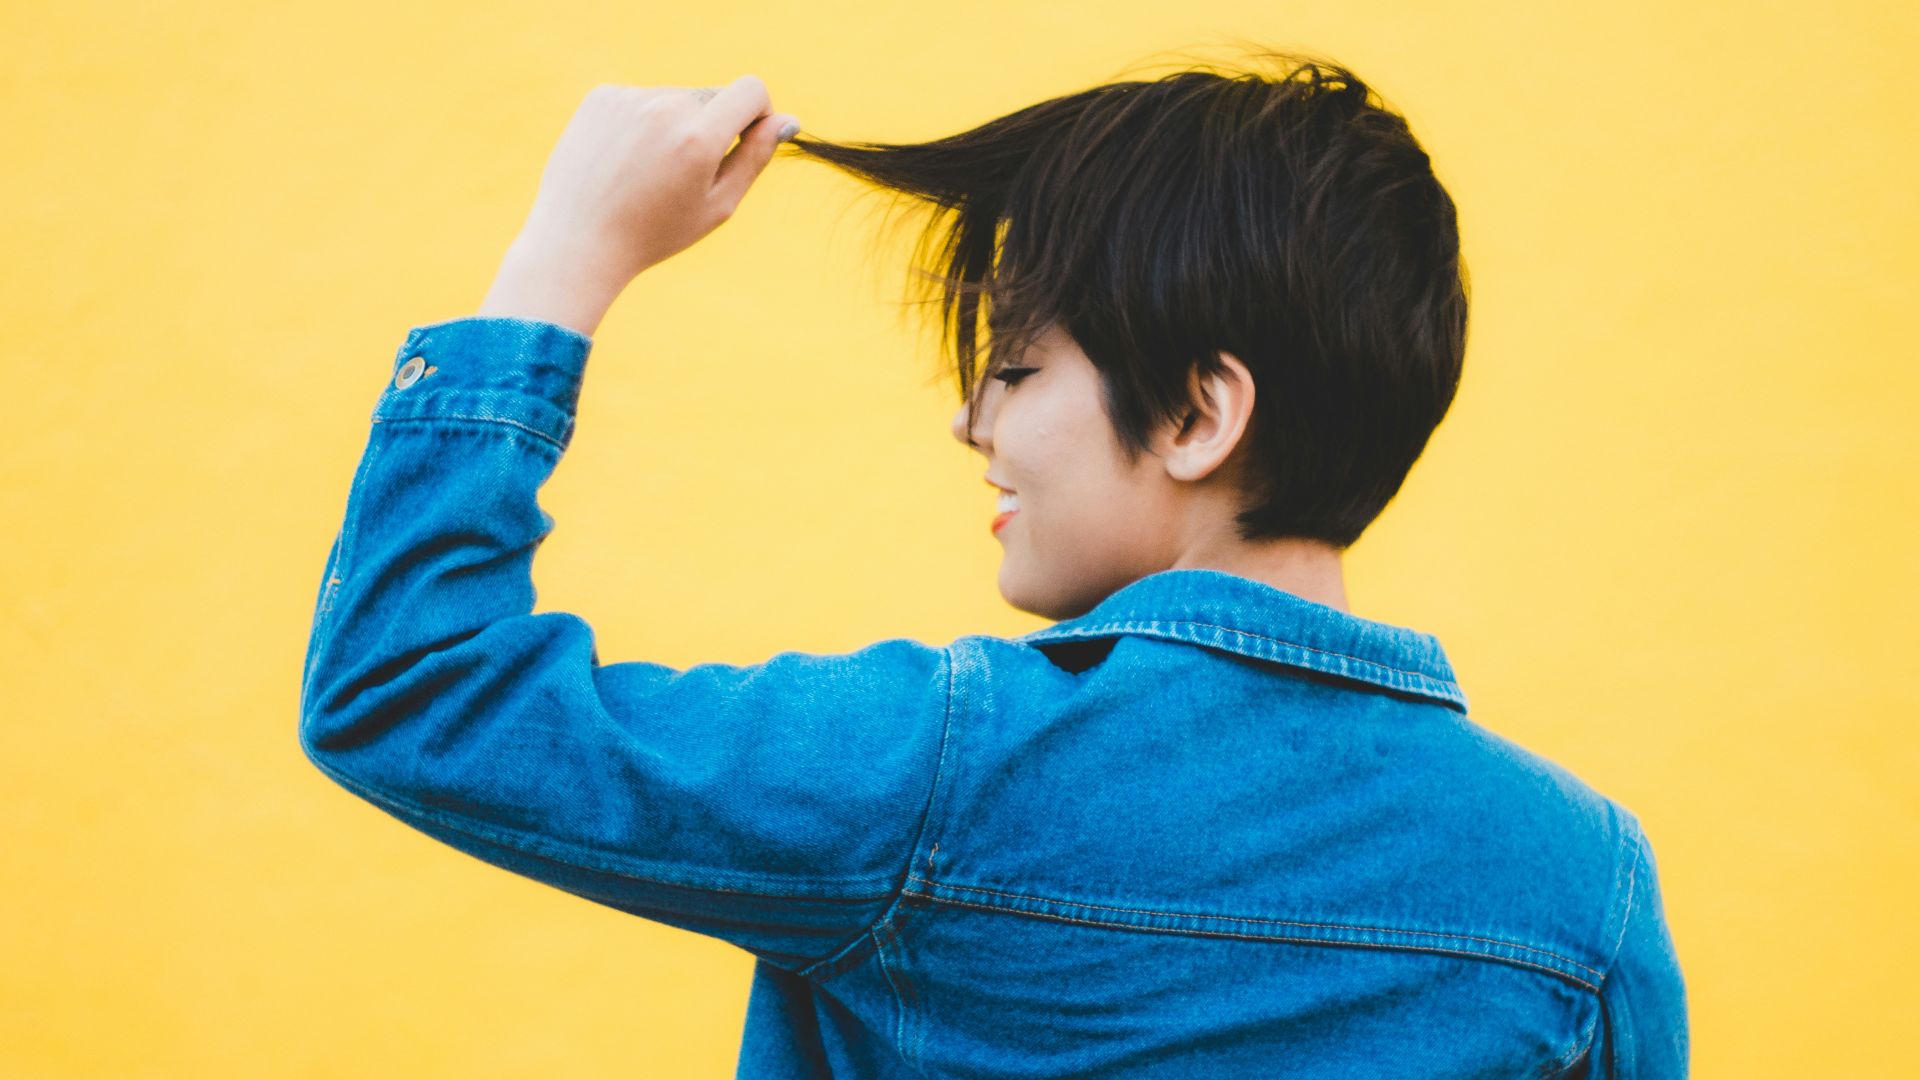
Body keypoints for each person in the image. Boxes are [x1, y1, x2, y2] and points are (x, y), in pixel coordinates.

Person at [300, 52, 1688, 1077]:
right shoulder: (1582, 885)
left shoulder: (940, 772)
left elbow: (409, 687)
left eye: (1015, 365)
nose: (973, 419)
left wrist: (567, 255)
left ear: (1203, 413)